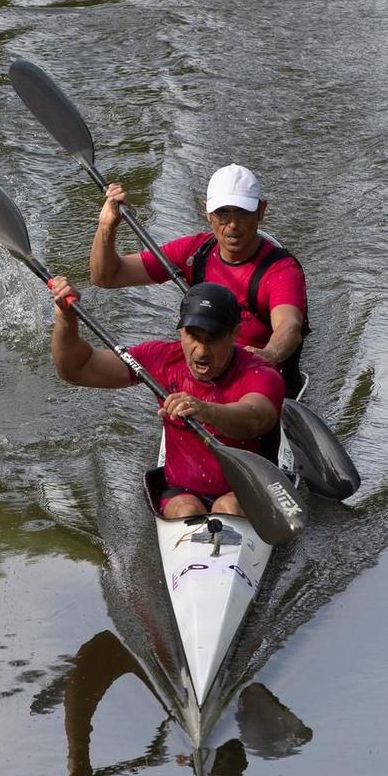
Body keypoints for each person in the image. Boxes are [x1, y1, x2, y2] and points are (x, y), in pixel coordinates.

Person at [46, 276, 284, 520]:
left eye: (213, 338)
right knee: (187, 510)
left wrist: (206, 410)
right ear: (180, 329)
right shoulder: (160, 359)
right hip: (182, 493)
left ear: (235, 333)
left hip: (246, 490)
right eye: (192, 335)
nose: (201, 351)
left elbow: (256, 418)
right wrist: (66, 319)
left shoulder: (260, 373)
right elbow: (77, 370)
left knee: (228, 508)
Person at [87, 164, 308, 392]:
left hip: (258, 379)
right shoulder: (194, 251)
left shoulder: (281, 270)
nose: (232, 225)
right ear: (207, 213)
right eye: (222, 213)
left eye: (243, 212)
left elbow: (289, 326)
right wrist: (107, 226)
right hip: (206, 371)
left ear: (261, 211)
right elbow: (106, 277)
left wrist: (269, 354)